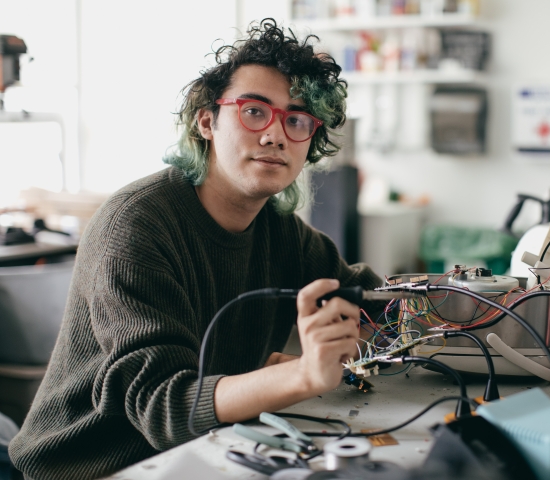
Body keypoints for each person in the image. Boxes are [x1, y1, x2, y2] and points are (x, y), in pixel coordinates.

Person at [9, 19, 381, 480]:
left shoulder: (282, 234)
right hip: (90, 468)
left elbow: (375, 299)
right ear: (207, 121)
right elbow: (167, 408)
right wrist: (304, 374)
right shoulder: (137, 225)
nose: (275, 135)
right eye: (254, 111)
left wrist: (466, 301)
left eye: (297, 119)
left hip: (206, 454)